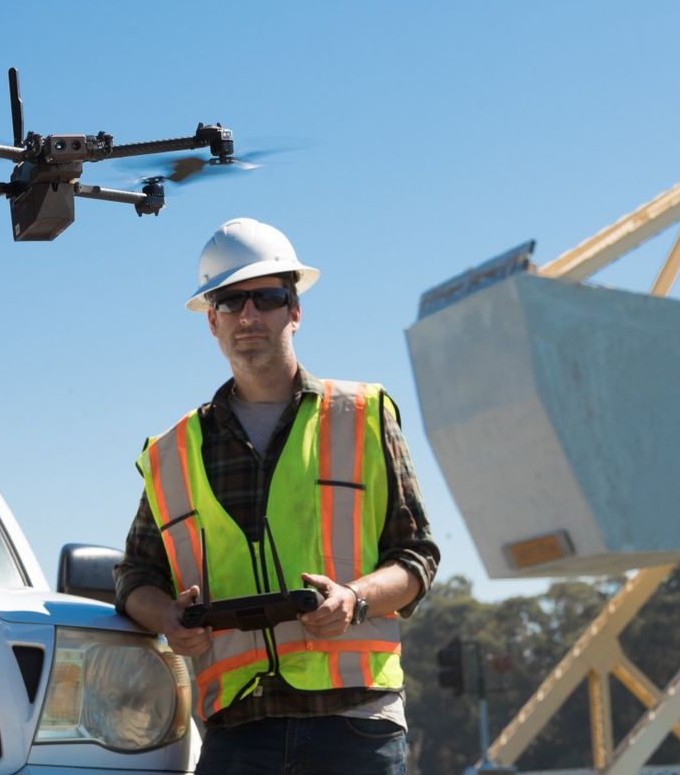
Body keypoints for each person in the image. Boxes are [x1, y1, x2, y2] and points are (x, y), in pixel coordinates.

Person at [115, 217, 439, 774]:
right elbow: (135, 577)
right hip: (238, 731)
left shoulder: (361, 417)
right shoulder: (173, 453)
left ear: (295, 310)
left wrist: (353, 599)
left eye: (265, 298)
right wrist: (168, 616)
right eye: (230, 301)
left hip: (356, 724)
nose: (248, 316)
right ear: (210, 322)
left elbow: (417, 557)